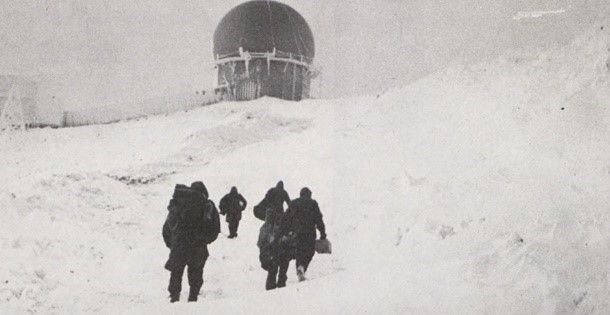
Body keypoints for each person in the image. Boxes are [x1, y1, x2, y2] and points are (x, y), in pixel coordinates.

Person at [162, 181, 220, 303]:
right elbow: (215, 229)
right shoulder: (207, 205)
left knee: (176, 271)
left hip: (179, 244)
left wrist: (172, 244)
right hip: (198, 245)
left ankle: (174, 297)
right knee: (196, 271)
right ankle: (193, 297)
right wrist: (204, 240)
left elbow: (167, 227)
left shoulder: (179, 203)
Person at [280, 187, 326, 282]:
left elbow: (285, 218)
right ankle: (302, 267)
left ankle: (300, 267)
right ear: (309, 195)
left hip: (297, 233)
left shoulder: (294, 203)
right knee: (309, 252)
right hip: (309, 232)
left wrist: (284, 232)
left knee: (299, 251)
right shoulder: (313, 203)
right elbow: (319, 219)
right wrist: (322, 233)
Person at [257, 208, 289, 290]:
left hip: (270, 254)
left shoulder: (266, 227)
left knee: (275, 267)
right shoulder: (267, 228)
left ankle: (275, 284)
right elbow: (261, 243)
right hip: (269, 254)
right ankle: (278, 284)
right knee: (276, 266)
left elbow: (259, 243)